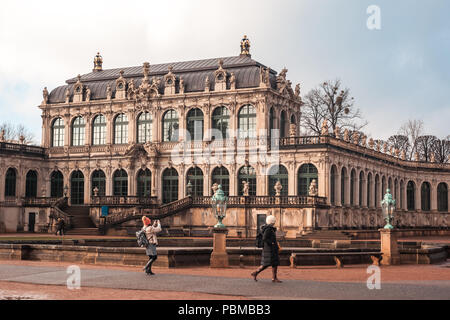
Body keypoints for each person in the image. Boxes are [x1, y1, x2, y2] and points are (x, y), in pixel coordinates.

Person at [251, 215, 282, 283]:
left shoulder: (269, 228)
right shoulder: (268, 229)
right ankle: (256, 273)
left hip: (269, 248)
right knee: (268, 263)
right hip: (270, 249)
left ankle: (274, 278)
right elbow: (264, 238)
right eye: (274, 220)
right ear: (272, 221)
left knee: (273, 263)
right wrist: (272, 243)